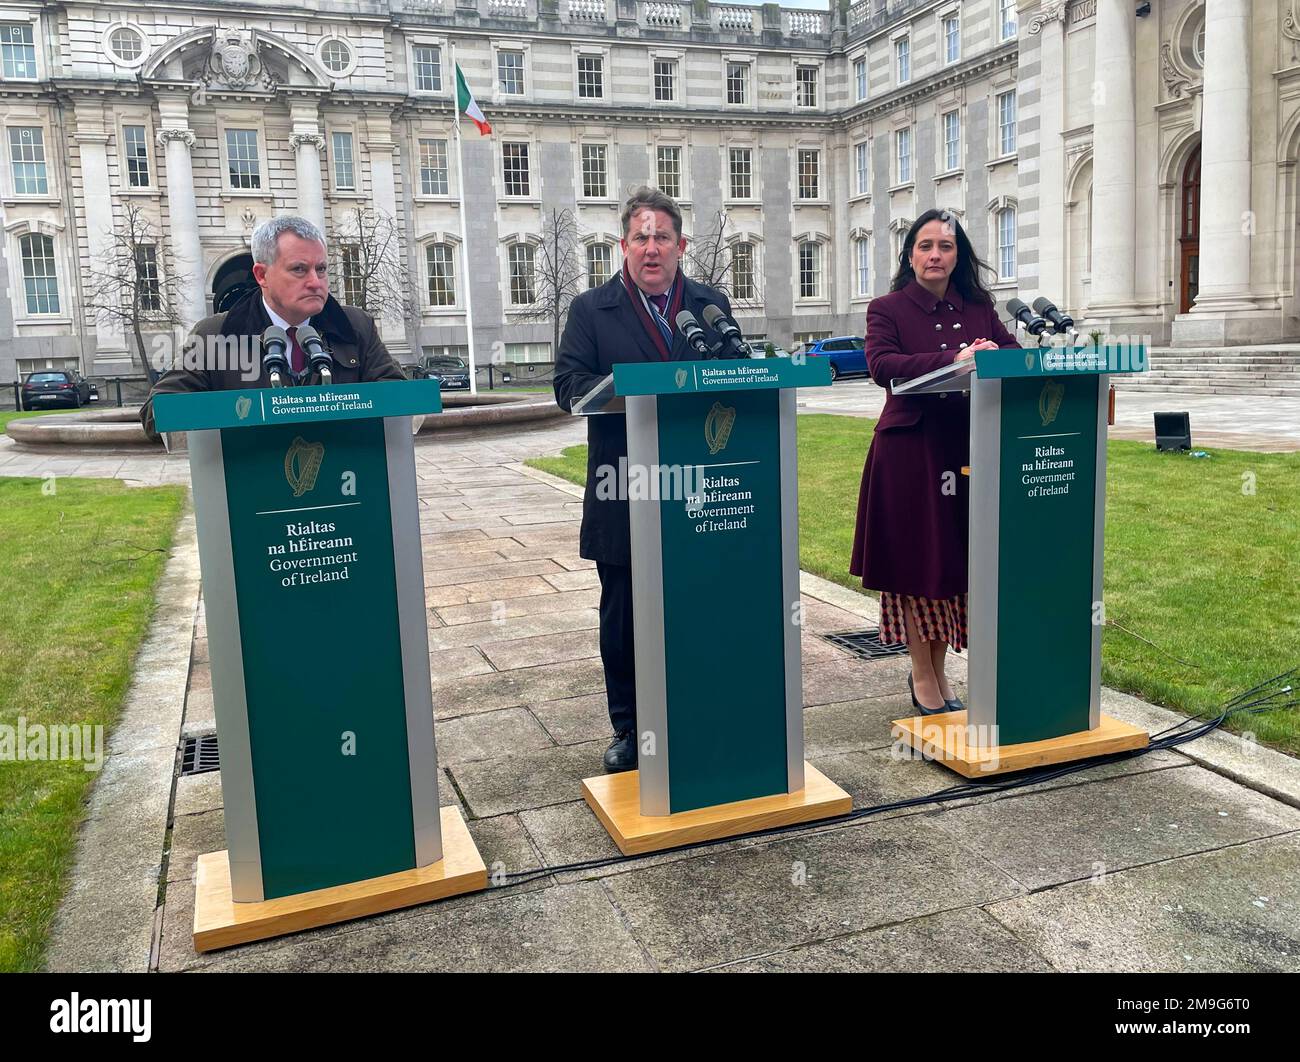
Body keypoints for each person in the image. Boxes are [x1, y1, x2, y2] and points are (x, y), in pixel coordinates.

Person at [554, 186, 734, 772]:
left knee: (701, 601)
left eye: (662, 238)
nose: (651, 248)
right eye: (640, 237)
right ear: (623, 246)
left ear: (681, 245)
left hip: (700, 489)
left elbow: (734, 376)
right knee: (626, 612)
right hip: (625, 487)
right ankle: (630, 727)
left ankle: (700, 708)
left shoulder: (711, 304)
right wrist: (624, 390)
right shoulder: (590, 310)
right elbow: (568, 389)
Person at [849, 208, 1019, 715]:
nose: (935, 255)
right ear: (910, 254)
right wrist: (954, 359)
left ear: (958, 254)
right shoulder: (888, 308)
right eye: (925, 246)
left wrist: (992, 352)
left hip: (966, 448)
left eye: (945, 246)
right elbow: (882, 366)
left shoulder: (979, 307)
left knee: (951, 566)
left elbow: (1012, 357)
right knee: (916, 564)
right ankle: (923, 673)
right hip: (910, 455)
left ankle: (939, 670)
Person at [140, 215, 405, 436]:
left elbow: (402, 402)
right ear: (262, 275)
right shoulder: (215, 336)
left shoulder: (356, 326)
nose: (316, 281)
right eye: (299, 269)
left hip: (344, 480)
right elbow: (155, 414)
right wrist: (242, 413)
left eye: (321, 269)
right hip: (251, 483)